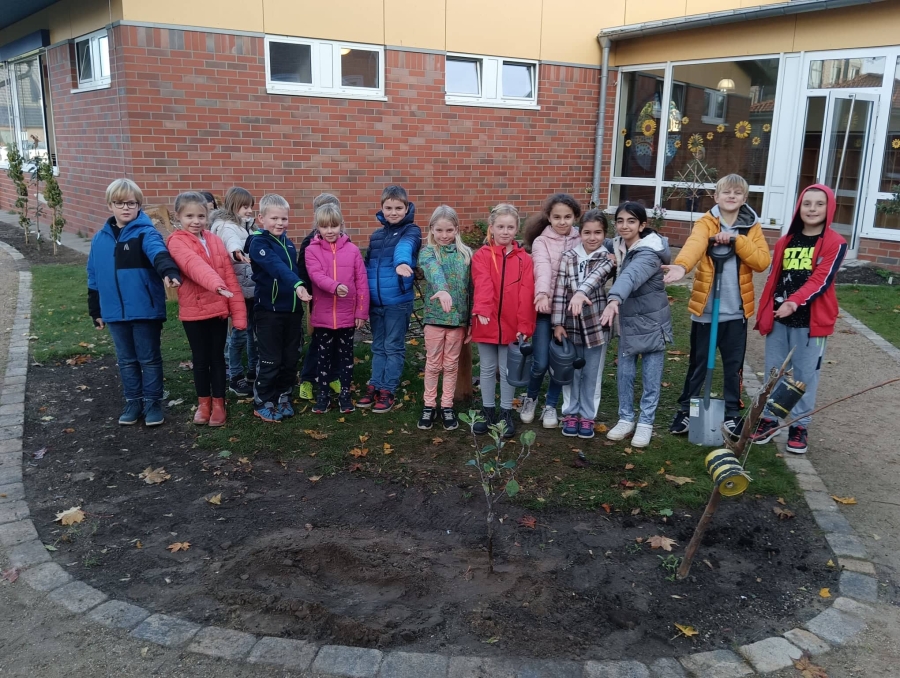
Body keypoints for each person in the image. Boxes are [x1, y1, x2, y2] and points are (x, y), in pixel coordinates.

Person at [662, 174, 771, 438]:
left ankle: (732, 413)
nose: (731, 196)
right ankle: (686, 409)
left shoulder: (751, 227)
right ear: (716, 196)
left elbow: (762, 261)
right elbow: (695, 245)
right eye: (726, 192)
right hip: (706, 312)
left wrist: (736, 240)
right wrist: (682, 265)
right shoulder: (706, 223)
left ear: (745, 198)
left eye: (737, 193)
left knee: (733, 366)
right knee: (698, 364)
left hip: (735, 312)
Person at [751, 184, 847, 454]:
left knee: (805, 376)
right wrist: (767, 309)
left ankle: (799, 425)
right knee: (775, 372)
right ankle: (769, 420)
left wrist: (794, 302)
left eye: (819, 204)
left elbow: (821, 280)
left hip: (810, 322)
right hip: (780, 319)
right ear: (799, 207)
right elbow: (774, 279)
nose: (812, 209)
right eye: (807, 204)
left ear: (829, 208)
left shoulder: (834, 243)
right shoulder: (785, 241)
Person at [86, 178, 182, 427]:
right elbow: (93, 275)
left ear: (139, 205)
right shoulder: (100, 239)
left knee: (148, 359)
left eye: (131, 203)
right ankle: (133, 401)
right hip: (114, 313)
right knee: (126, 360)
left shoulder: (146, 232)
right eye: (119, 203)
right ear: (110, 205)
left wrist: (169, 272)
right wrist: (96, 309)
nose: (126, 207)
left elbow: (158, 253)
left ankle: (152, 403)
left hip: (144, 310)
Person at [168, 192, 247, 427]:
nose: (196, 221)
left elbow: (229, 277)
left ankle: (219, 403)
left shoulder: (214, 240)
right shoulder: (176, 241)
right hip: (194, 312)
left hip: (218, 310)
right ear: (178, 217)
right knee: (200, 360)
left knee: (217, 358)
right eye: (189, 216)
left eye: (201, 216)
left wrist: (238, 312)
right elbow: (194, 266)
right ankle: (204, 403)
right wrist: (217, 285)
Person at [599, 202, 673, 448]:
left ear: (642, 225)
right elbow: (593, 239)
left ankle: (646, 423)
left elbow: (630, 276)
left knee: (651, 376)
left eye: (631, 221)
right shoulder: (617, 245)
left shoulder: (649, 254)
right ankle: (626, 418)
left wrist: (613, 299)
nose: (624, 226)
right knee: (625, 373)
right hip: (628, 322)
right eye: (620, 221)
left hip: (652, 322)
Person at [471, 204, 536, 438]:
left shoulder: (524, 260)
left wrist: (524, 326)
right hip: (486, 320)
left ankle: (506, 412)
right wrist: (482, 309)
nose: (505, 231)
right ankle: (487, 410)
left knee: (508, 370)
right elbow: (483, 283)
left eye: (510, 227)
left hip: (512, 324)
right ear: (492, 228)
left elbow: (527, 293)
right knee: (487, 368)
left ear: (517, 229)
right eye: (500, 226)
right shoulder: (482, 255)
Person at [246, 194, 312, 422]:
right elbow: (277, 269)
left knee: (290, 357)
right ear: (261, 218)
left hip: (292, 311)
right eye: (274, 218)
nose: (279, 223)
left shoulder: (288, 242)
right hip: (269, 313)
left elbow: (295, 269)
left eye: (284, 218)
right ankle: (263, 400)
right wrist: (297, 284)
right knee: (270, 358)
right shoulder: (259, 243)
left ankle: (283, 395)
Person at [520, 193, 583, 429]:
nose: (562, 222)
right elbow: (542, 268)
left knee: (561, 362)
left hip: (569, 312)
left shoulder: (581, 238)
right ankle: (531, 398)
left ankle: (551, 405)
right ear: (549, 217)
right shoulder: (541, 241)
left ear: (575, 217)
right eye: (557, 217)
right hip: (544, 308)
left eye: (568, 217)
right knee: (541, 362)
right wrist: (542, 294)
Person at [551, 209, 615, 440]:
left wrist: (579, 293)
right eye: (587, 232)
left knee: (591, 374)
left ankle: (587, 415)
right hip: (569, 325)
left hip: (596, 325)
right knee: (570, 371)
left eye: (598, 232)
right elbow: (559, 291)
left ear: (604, 234)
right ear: (580, 233)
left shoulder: (607, 259)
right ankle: (570, 413)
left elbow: (596, 277)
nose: (592, 237)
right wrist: (557, 323)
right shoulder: (568, 257)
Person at [358, 185, 422, 413]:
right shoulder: (376, 236)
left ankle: (388, 389)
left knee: (393, 346)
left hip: (397, 301)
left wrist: (402, 263)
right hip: (376, 302)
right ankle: (375, 384)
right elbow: (366, 266)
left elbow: (404, 249)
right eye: (388, 207)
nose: (393, 212)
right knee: (378, 346)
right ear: (382, 208)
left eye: (398, 207)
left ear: (406, 208)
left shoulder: (411, 231)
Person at [304, 203, 369, 414]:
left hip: (346, 315)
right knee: (323, 358)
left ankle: (345, 395)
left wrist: (361, 311)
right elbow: (315, 275)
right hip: (323, 315)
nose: (330, 231)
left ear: (341, 225)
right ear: (318, 228)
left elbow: (361, 282)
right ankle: (323, 395)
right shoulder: (311, 250)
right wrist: (335, 287)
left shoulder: (352, 250)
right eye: (325, 227)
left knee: (346, 357)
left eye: (334, 226)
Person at [417, 205, 473, 432]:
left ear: (457, 229)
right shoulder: (428, 252)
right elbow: (432, 270)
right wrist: (441, 290)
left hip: (458, 321)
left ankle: (446, 405)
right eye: (439, 230)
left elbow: (471, 289)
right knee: (433, 364)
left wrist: (470, 321)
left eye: (449, 230)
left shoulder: (466, 255)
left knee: (450, 366)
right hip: (434, 319)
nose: (444, 235)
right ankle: (429, 405)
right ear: (431, 229)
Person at [210, 187, 258, 397]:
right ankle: (235, 376)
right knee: (239, 332)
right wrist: (236, 253)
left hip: (248, 288)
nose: (249, 211)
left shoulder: (244, 226)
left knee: (249, 332)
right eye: (244, 206)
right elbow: (232, 244)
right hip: (237, 289)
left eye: (250, 207)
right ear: (233, 206)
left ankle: (251, 373)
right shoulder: (227, 227)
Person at [297, 193, 342, 401]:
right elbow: (306, 272)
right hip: (320, 298)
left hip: (341, 299)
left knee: (338, 339)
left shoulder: (344, 241)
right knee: (319, 339)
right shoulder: (310, 242)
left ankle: (333, 375)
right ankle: (307, 377)